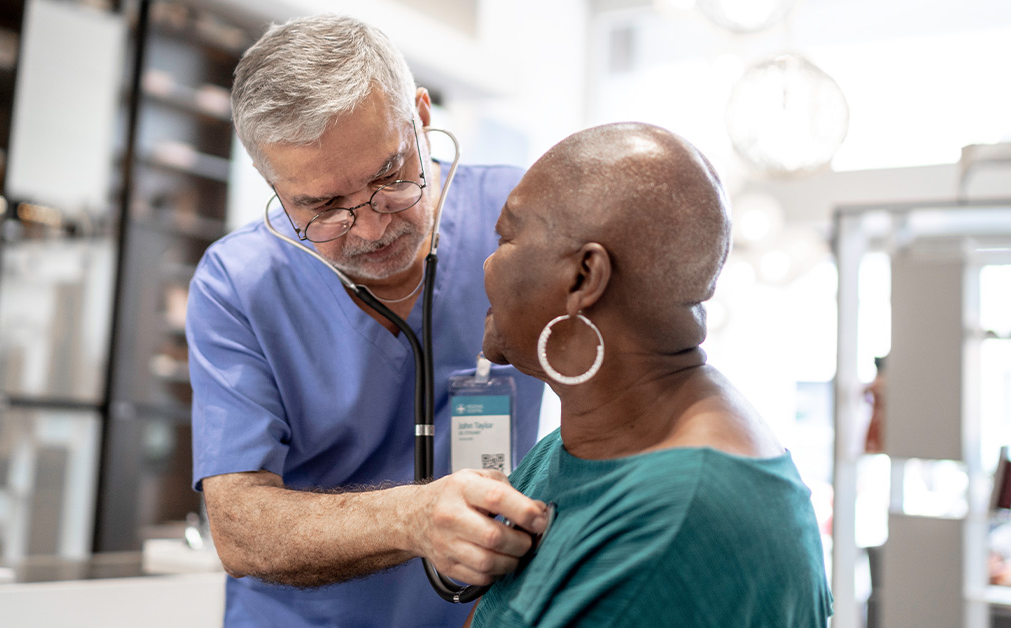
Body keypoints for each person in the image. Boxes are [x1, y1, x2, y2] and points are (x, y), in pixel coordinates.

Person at [185, 14, 549, 628]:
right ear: (275, 186)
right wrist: (412, 517)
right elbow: (239, 529)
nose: (373, 228)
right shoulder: (238, 284)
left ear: (422, 118)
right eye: (324, 206)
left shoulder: (520, 221)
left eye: (389, 176)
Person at [469, 122, 834, 627]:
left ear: (583, 277)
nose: (486, 264)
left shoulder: (678, 521)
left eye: (506, 237)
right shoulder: (588, 441)